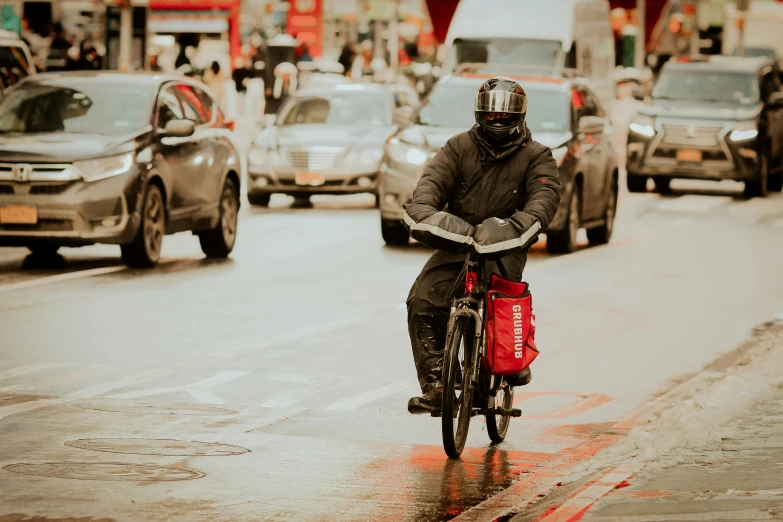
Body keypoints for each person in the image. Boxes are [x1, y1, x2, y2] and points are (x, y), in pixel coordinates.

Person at [404, 77, 561, 414]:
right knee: (421, 300)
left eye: (504, 116)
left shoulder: (537, 156)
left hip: (504, 248)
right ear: (479, 114)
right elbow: (428, 190)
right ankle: (437, 384)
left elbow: (543, 202)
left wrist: (505, 231)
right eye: (490, 115)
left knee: (500, 315)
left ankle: (510, 362)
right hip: (457, 243)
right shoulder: (457, 148)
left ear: (519, 116)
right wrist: (444, 223)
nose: (497, 121)